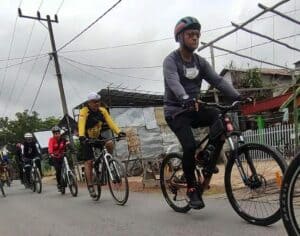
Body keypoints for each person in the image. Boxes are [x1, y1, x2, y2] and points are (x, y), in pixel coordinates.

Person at [163, 16, 243, 209]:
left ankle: (206, 158)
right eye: (191, 34)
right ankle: (191, 189)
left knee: (218, 117)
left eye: (198, 35)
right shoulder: (171, 61)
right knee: (189, 146)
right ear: (180, 37)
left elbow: (218, 81)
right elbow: (173, 82)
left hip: (194, 108)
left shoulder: (200, 62)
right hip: (176, 112)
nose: (195, 38)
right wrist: (184, 98)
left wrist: (237, 97)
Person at [78, 92, 126, 198]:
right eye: (94, 102)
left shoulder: (102, 111)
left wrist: (118, 132)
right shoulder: (84, 111)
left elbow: (110, 122)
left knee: (109, 143)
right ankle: (90, 186)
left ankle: (109, 161)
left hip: (97, 136)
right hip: (86, 138)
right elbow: (81, 124)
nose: (97, 103)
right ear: (89, 103)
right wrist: (81, 136)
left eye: (98, 101)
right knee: (89, 162)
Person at [48, 126, 68, 192]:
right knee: (58, 171)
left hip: (62, 156)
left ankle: (69, 176)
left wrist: (72, 149)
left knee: (67, 166)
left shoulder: (63, 139)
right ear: (53, 134)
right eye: (55, 133)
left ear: (60, 133)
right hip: (55, 157)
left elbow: (67, 144)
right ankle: (59, 184)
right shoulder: (51, 140)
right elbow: (50, 147)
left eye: (58, 133)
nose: (57, 135)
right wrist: (51, 153)